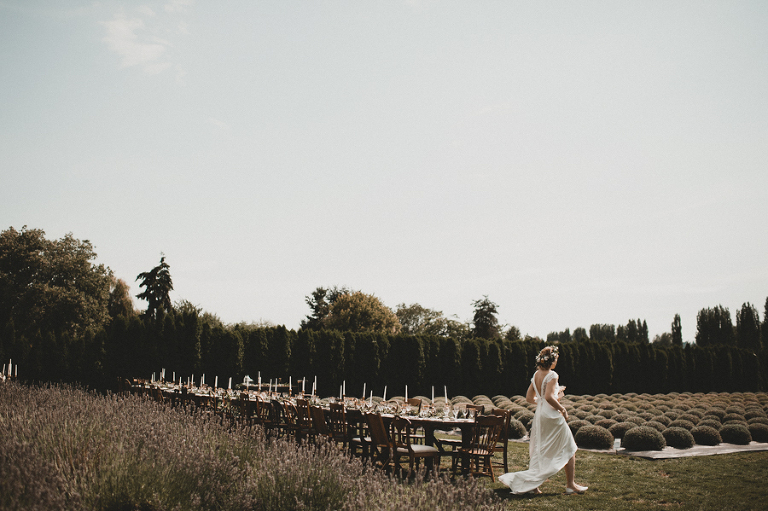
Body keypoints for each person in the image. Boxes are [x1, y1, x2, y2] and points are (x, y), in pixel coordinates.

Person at [498, 346, 588, 495]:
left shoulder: (536, 375)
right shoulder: (552, 375)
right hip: (551, 415)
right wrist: (562, 409)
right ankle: (570, 485)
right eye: (556, 360)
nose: (556, 363)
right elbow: (548, 397)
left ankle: (533, 485)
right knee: (570, 446)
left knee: (540, 448)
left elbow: (529, 398)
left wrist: (541, 402)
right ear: (552, 361)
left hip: (540, 414)